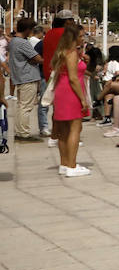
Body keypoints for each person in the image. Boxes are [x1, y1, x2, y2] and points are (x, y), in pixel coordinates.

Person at [49, 25, 93, 177]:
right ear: (74, 37)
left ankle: (64, 163)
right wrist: (83, 99)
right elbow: (74, 78)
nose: (83, 38)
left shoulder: (62, 52)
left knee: (63, 131)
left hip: (61, 91)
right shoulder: (72, 53)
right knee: (75, 128)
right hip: (71, 92)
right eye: (81, 36)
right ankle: (72, 165)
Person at [38, 9, 77, 140]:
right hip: (62, 73)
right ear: (67, 21)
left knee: (54, 106)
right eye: (72, 20)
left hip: (48, 72)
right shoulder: (66, 34)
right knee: (65, 108)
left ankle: (54, 134)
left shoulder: (49, 34)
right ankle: (64, 135)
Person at [7, 19, 43, 141]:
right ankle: (24, 133)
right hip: (28, 77)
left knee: (21, 106)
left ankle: (20, 131)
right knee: (26, 107)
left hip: (20, 77)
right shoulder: (23, 43)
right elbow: (38, 58)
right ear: (27, 29)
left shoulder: (13, 41)